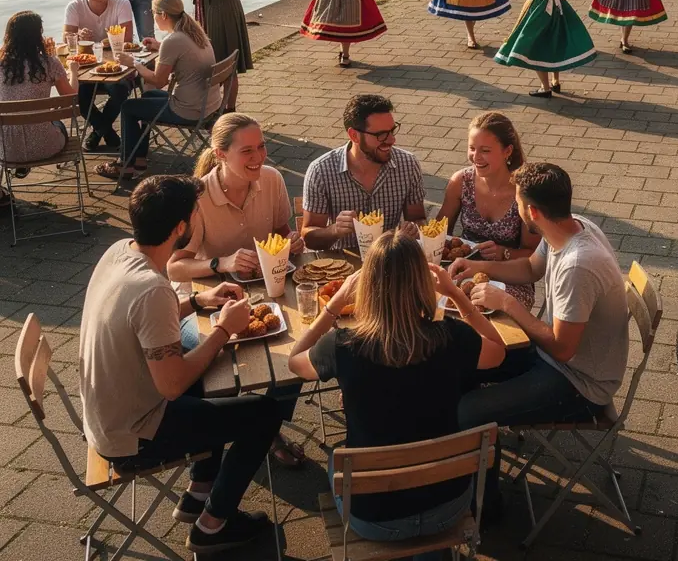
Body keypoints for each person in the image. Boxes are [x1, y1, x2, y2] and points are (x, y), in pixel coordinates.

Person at [78, 175, 281, 555]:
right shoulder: (151, 290)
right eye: (193, 214)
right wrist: (223, 330)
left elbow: (144, 324)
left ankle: (199, 490)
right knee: (263, 412)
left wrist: (201, 302)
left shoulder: (121, 251)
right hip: (131, 435)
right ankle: (213, 525)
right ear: (180, 228)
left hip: (107, 411)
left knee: (212, 377)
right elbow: (171, 386)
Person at [288, 230, 505, 561]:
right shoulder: (452, 336)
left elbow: (294, 362)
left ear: (366, 288)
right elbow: (499, 352)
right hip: (448, 506)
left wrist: (334, 304)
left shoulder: (342, 346)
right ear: (422, 283)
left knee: (336, 458)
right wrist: (456, 296)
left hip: (374, 518)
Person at [454, 163, 629, 507]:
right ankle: (467, 476)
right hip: (552, 356)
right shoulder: (570, 226)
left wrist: (508, 304)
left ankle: (484, 507)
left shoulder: (578, 265)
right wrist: (478, 266)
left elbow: (563, 350)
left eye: (518, 203)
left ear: (531, 211)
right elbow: (531, 268)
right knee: (459, 361)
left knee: (469, 412)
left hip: (579, 382)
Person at [166, 113, 307, 468]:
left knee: (303, 344)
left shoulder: (271, 180)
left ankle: (268, 422)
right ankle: (230, 429)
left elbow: (281, 231)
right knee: (215, 354)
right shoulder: (197, 199)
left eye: (261, 147)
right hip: (204, 301)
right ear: (220, 154)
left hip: (265, 288)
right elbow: (174, 266)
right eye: (247, 151)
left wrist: (292, 242)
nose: (259, 157)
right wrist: (220, 263)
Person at [94, 0, 220, 182]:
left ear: (163, 15)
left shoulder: (174, 40)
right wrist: (159, 46)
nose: (152, 16)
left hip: (188, 109)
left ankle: (125, 166)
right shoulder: (194, 32)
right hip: (208, 105)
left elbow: (158, 80)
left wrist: (133, 63)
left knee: (128, 107)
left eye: (153, 13)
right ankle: (140, 158)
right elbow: (182, 53)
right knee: (147, 97)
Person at [438, 112, 539, 308]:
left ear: (507, 151)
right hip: (463, 271)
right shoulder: (460, 181)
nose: (476, 157)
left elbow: (534, 256)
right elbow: (440, 233)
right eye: (472, 148)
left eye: (485, 150)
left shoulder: (523, 190)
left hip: (510, 277)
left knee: (491, 313)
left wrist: (504, 252)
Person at [302, 93, 426, 251]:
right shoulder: (321, 170)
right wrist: (334, 230)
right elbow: (309, 238)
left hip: (391, 260)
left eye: (392, 131)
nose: (391, 140)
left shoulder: (408, 164)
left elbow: (418, 219)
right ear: (354, 135)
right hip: (343, 265)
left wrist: (412, 229)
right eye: (381, 135)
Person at [0, 12, 79, 196]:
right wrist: (73, 72)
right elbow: (72, 99)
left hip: (7, 151)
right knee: (57, 123)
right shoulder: (49, 63)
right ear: (38, 36)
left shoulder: (2, 66)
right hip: (47, 147)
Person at [63, 0, 135, 151]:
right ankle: (106, 130)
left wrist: (101, 43)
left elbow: (126, 39)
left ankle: (98, 132)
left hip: (116, 67)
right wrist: (78, 35)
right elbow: (66, 38)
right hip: (87, 67)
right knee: (81, 94)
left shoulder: (121, 3)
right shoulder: (75, 7)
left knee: (120, 89)